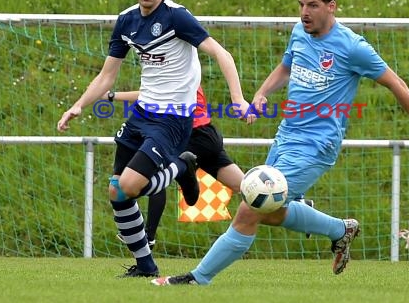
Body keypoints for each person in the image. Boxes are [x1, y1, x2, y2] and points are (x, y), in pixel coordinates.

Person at [151, 0, 409, 286]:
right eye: (301, 4)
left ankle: (197, 278)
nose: (304, 12)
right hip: (286, 136)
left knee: (251, 207)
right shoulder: (300, 33)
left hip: (317, 145)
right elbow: (287, 66)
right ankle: (340, 230)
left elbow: (395, 82)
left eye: (312, 5)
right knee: (271, 212)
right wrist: (261, 93)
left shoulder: (353, 47)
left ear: (332, 7)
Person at [57, 0, 252, 278]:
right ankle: (146, 265)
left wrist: (238, 98)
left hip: (173, 119)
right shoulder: (127, 20)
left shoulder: (177, 17)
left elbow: (222, 53)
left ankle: (180, 166)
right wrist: (79, 104)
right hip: (143, 113)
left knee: (132, 185)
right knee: (117, 191)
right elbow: (107, 76)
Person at [109, 86, 317, 248]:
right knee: (248, 189)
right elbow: (147, 95)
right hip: (205, 136)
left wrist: (113, 95)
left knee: (153, 171)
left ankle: (149, 236)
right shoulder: (172, 67)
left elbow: (148, 96)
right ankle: (301, 207)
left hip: (195, 136)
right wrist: (114, 96)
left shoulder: (179, 67)